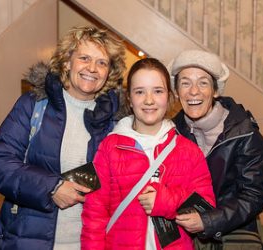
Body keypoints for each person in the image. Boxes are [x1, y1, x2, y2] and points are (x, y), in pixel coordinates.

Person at [0, 26, 126, 250]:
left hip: (91, 243)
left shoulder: (117, 120)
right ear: (67, 62)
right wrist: (51, 187)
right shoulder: (34, 104)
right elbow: (0, 162)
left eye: (102, 62)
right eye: (84, 58)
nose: (92, 68)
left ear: (110, 72)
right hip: (27, 240)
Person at [81, 58, 216, 249]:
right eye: (140, 92)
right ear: (129, 98)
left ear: (169, 96)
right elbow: (94, 214)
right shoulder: (109, 148)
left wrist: (164, 201)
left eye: (158, 91)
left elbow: (205, 206)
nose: (149, 100)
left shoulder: (188, 151)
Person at [170, 49, 263, 248]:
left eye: (203, 82)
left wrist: (208, 221)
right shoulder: (170, 132)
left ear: (215, 91)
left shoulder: (245, 134)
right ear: (176, 91)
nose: (193, 91)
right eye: (185, 83)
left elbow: (254, 197)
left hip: (232, 237)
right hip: (184, 237)